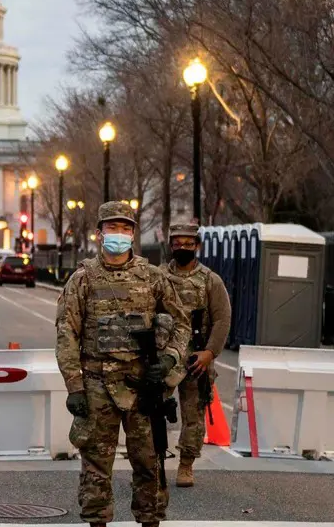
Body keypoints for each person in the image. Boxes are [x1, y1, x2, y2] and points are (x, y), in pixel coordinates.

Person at [56, 201, 192, 527]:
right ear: (100, 233)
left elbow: (182, 324)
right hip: (96, 383)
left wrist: (171, 360)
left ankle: (150, 521)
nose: (119, 234)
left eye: (125, 228)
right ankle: (97, 523)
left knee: (149, 462)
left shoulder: (154, 277)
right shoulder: (83, 279)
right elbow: (67, 334)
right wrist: (74, 386)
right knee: (95, 465)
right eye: (112, 228)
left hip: (142, 383)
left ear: (133, 234)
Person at [160, 223, 231, 488]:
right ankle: (154, 462)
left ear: (197, 246)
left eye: (188, 244)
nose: (182, 248)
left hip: (196, 359)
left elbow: (222, 319)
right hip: (165, 357)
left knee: (194, 414)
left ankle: (186, 465)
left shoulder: (210, 280)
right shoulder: (158, 277)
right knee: (151, 411)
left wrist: (209, 353)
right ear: (170, 245)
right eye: (177, 243)